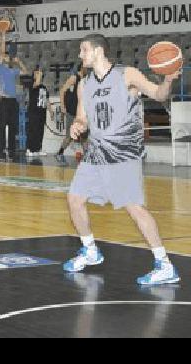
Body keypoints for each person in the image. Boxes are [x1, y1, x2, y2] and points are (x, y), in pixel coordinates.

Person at [63, 34, 181, 286]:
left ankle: (164, 264)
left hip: (123, 152)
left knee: (134, 208)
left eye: (83, 50)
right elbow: (82, 117)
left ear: (97, 51)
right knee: (74, 199)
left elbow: (159, 95)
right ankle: (90, 250)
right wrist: (77, 125)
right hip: (96, 152)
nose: (80, 55)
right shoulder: (84, 84)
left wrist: (168, 79)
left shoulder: (127, 75)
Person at [0, 29, 29, 161]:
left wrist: (18, 60)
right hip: (3, 100)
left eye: (7, 57)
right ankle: (0, 151)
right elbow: (2, 52)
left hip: (13, 101)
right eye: (5, 57)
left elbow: (25, 72)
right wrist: (3, 37)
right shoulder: (0, 68)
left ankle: (11, 152)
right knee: (2, 127)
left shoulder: (14, 70)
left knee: (13, 127)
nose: (5, 57)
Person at [56, 65, 88, 163]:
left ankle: (87, 157)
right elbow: (62, 91)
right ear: (82, 68)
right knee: (69, 137)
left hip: (81, 113)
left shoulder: (85, 80)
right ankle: (59, 153)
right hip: (72, 112)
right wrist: (62, 106)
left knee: (84, 136)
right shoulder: (74, 78)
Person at [25, 66, 50, 157]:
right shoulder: (33, 84)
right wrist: (38, 74)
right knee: (33, 130)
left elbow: (47, 99)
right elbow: (37, 83)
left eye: (39, 73)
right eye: (37, 73)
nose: (39, 74)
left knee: (40, 131)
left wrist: (50, 111)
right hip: (33, 112)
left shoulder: (44, 87)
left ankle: (38, 149)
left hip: (42, 112)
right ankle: (30, 149)